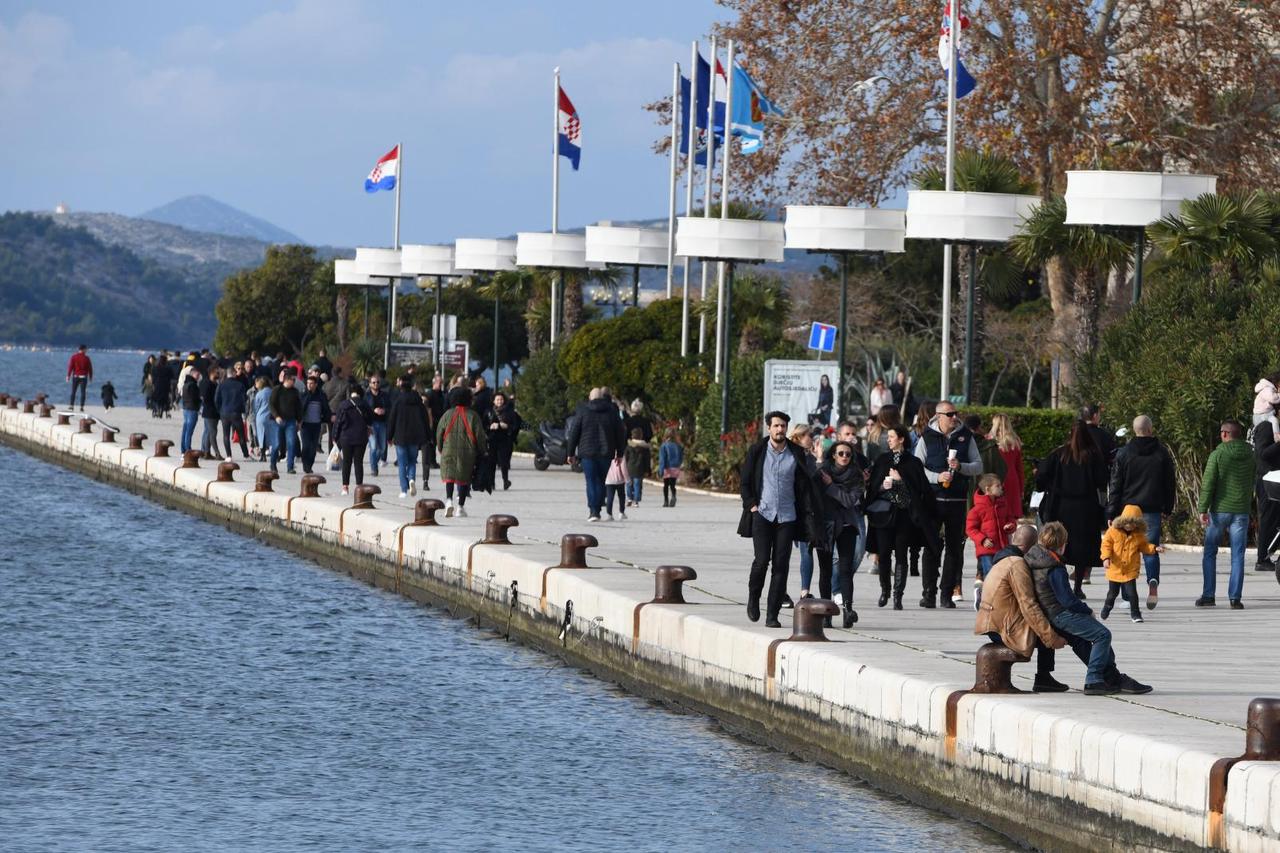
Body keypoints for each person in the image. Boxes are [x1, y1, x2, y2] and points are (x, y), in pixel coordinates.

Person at [1024, 522, 1152, 695]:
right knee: (1102, 635)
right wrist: (1087, 611)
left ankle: (1111, 676)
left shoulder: (1035, 559)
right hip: (1060, 614)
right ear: (1062, 545)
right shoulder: (1054, 567)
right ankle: (1094, 679)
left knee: (1081, 640)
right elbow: (1067, 600)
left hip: (1048, 613)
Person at [737, 411, 824, 628]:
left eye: (783, 426)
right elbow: (745, 481)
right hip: (763, 514)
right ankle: (753, 598)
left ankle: (772, 614)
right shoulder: (757, 450)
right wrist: (752, 505)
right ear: (769, 428)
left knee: (781, 566)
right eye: (776, 426)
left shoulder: (796, 452)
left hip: (787, 516)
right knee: (761, 561)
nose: (779, 429)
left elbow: (806, 483)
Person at [974, 524, 1070, 693]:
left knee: (1045, 624)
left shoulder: (1001, 560)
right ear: (1032, 546)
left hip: (991, 624)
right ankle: (1044, 677)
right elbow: (1029, 605)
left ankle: (1044, 677)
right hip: (1003, 629)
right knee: (1051, 625)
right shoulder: (1017, 564)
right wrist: (1051, 638)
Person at [914, 400, 982, 608]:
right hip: (933, 500)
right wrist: (937, 477)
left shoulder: (966, 436)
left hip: (957, 500)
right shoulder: (927, 437)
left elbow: (978, 466)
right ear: (938, 416)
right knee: (931, 547)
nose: (954, 417)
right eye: (949, 414)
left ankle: (947, 594)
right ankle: (928, 593)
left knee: (954, 549)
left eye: (955, 413)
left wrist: (960, 467)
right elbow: (917, 468)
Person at [1106, 414, 1176, 607]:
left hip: (1128, 510)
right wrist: (1167, 508)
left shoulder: (1124, 453)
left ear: (1134, 430)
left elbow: (1115, 484)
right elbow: (1170, 483)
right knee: (1150, 548)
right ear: (1150, 429)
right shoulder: (1161, 453)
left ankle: (1128, 597)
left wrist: (1111, 512)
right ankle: (1152, 581)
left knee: (1125, 551)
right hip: (1152, 508)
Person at [866, 425, 937, 609]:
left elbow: (921, 489)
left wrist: (901, 480)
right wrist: (882, 486)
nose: (888, 440)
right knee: (883, 554)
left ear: (901, 439)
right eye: (888, 437)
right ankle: (885, 590)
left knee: (901, 555)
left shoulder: (913, 462)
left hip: (904, 515)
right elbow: (872, 487)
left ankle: (898, 595)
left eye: (891, 436)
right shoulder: (882, 460)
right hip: (883, 515)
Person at [1035, 420, 1107, 599]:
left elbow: (1042, 474)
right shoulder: (1093, 455)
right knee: (1082, 547)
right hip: (1085, 507)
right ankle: (1078, 587)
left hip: (1061, 506)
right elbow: (1102, 480)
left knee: (1059, 543)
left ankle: (1059, 584)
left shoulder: (1059, 454)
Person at [1197, 420, 1255, 609]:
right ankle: (1235, 598)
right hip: (1241, 510)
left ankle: (1208, 595)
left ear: (1224, 434)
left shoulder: (1218, 454)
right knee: (1238, 555)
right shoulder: (1251, 454)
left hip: (1219, 510)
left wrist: (1202, 508)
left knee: (1210, 552)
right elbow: (1253, 480)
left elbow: (1208, 483)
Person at [814, 440, 864, 627]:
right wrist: (819, 461)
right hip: (825, 526)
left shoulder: (856, 475)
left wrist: (831, 487)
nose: (844, 457)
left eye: (848, 454)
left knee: (845, 570)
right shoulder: (823, 471)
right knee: (825, 571)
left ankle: (848, 611)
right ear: (833, 455)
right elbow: (813, 487)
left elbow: (849, 501)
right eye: (841, 453)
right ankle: (825, 614)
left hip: (847, 526)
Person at [566, 388, 626, 522]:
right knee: (601, 481)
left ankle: (594, 511)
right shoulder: (612, 411)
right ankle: (597, 508)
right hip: (606, 452)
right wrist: (620, 452)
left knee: (591, 481)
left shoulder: (583, 411)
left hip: (587, 452)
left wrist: (570, 453)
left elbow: (574, 432)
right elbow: (620, 432)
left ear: (590, 397)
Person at [1100, 505, 1163, 623]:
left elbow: (1144, 546)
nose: (1129, 526)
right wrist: (1106, 558)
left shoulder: (1138, 535)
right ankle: (1107, 607)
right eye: (1127, 522)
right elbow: (1106, 545)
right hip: (1115, 568)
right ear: (1122, 521)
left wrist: (1154, 548)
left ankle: (1136, 613)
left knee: (1132, 593)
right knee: (1112, 593)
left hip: (1130, 569)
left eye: (1133, 524)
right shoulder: (1113, 531)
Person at [966, 473, 1015, 609]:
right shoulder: (977, 509)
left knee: (1001, 575)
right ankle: (987, 601)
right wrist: (982, 539)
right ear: (987, 489)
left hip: (1002, 548)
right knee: (990, 574)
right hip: (987, 549)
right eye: (997, 486)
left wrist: (1010, 526)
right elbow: (970, 529)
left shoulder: (1003, 504)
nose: (1001, 488)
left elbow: (1011, 519)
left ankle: (994, 599)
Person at [437, 386, 486, 517]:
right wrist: (483, 450)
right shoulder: (473, 415)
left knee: (449, 477)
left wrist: (440, 448)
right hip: (467, 453)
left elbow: (439, 432)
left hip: (448, 450)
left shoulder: (447, 414)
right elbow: (480, 436)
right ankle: (460, 507)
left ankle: (448, 500)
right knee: (463, 479)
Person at [387, 374, 429, 498]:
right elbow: (425, 419)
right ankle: (411, 479)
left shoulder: (398, 401)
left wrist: (389, 436)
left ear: (401, 388)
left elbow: (392, 419)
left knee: (402, 463)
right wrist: (427, 435)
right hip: (415, 436)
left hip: (400, 436)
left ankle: (403, 490)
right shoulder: (418, 401)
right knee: (412, 461)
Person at [332, 384, 373, 495]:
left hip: (346, 437)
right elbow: (370, 419)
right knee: (358, 462)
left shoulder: (344, 405)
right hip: (361, 437)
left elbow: (338, 422)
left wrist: (334, 437)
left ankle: (345, 487)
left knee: (347, 462)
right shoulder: (365, 404)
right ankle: (359, 486)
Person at [988, 413, 1025, 525]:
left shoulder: (989, 441)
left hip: (995, 479)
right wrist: (1021, 488)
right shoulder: (1015, 441)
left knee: (994, 515)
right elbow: (1019, 468)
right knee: (1012, 518)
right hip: (1012, 479)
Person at [1254, 421, 1280, 573]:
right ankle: (1262, 559)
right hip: (1269, 482)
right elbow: (1262, 453)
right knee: (1268, 521)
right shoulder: (1266, 426)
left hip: (1276, 480)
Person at [484, 391, 522, 491]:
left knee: (504, 462)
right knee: (491, 462)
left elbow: (516, 425)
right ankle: (491, 483)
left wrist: (507, 426)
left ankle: (505, 481)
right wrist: (490, 427)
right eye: (497, 399)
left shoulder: (510, 412)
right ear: (493, 401)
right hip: (492, 440)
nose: (499, 401)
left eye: (501, 399)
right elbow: (483, 425)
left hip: (504, 440)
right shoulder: (489, 412)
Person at [298, 374, 333, 475]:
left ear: (316, 384)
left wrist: (328, 417)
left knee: (313, 448)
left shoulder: (321, 395)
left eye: (311, 383)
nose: (309, 385)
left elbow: (326, 408)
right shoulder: (303, 394)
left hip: (316, 424)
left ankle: (309, 465)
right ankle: (305, 465)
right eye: (308, 383)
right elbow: (299, 408)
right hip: (305, 425)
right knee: (306, 446)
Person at [269, 371, 302, 475]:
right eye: (293, 380)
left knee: (291, 443)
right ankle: (273, 464)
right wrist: (276, 416)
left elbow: (298, 407)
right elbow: (271, 404)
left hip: (291, 421)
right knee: (276, 444)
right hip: (277, 421)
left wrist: (299, 421)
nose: (294, 382)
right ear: (286, 380)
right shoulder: (277, 390)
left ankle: (290, 466)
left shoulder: (295, 392)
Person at [215, 365, 250, 460]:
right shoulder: (239, 385)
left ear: (227, 374)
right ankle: (246, 455)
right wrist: (242, 409)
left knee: (226, 435)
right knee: (241, 435)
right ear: (234, 373)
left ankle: (229, 456)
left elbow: (216, 399)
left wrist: (220, 410)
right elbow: (244, 398)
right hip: (236, 412)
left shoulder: (221, 385)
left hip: (224, 412)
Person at [364, 376, 390, 477]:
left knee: (382, 448)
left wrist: (384, 411)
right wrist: (373, 410)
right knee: (374, 447)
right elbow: (364, 409)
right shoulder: (367, 396)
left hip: (382, 423)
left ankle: (374, 462)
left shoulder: (384, 395)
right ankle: (374, 468)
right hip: (371, 424)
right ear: (370, 384)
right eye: (374, 382)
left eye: (377, 382)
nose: (376, 384)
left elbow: (390, 407)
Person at [199, 366, 222, 460]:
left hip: (213, 412)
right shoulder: (208, 384)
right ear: (211, 373)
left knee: (209, 432)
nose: (219, 374)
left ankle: (206, 452)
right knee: (213, 432)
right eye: (217, 372)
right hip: (210, 412)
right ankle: (217, 453)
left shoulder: (215, 383)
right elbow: (205, 398)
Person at [624, 427, 651, 508]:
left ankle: (629, 498)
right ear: (641, 436)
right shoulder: (645, 448)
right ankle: (636, 501)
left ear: (632, 435)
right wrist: (647, 470)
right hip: (640, 469)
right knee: (637, 485)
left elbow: (626, 458)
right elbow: (647, 460)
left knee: (629, 484)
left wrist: (624, 467)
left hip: (630, 468)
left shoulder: (629, 446)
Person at [250, 375, 273, 462]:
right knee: (271, 435)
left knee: (261, 435)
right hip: (271, 416)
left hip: (261, 416)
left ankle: (263, 455)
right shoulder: (272, 392)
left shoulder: (259, 394)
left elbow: (256, 406)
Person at [179, 365, 202, 454]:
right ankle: (187, 449)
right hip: (192, 409)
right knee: (189, 431)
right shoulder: (193, 385)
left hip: (186, 408)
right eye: (197, 374)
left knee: (185, 429)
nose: (198, 376)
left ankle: (183, 449)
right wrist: (200, 401)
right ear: (192, 374)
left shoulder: (185, 384)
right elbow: (194, 398)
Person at [659, 428, 684, 508]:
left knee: (666, 485)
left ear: (666, 435)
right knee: (672, 484)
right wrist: (679, 464)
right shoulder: (678, 446)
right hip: (675, 467)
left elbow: (662, 459)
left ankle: (666, 501)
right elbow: (681, 457)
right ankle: (673, 495)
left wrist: (661, 470)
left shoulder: (664, 445)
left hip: (667, 467)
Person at [66, 344, 93, 411]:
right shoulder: (87, 358)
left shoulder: (74, 357)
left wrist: (68, 376)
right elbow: (90, 368)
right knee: (83, 392)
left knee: (73, 391)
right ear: (83, 349)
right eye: (86, 349)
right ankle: (81, 407)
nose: (86, 350)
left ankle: (71, 405)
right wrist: (90, 377)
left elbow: (71, 367)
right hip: (83, 377)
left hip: (76, 376)